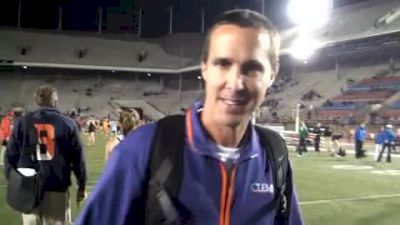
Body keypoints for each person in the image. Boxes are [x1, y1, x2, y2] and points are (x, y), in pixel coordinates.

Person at [76, 9, 304, 225]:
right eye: (223, 64)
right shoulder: (145, 148)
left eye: (252, 68)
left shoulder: (275, 157)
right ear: (204, 67)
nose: (236, 83)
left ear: (272, 74)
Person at [4, 85, 87, 225]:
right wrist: (82, 184)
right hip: (56, 188)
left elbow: (9, 157)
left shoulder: (21, 123)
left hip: (28, 189)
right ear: (55, 102)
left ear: (36, 102)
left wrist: (15, 181)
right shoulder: (68, 124)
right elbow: (79, 160)